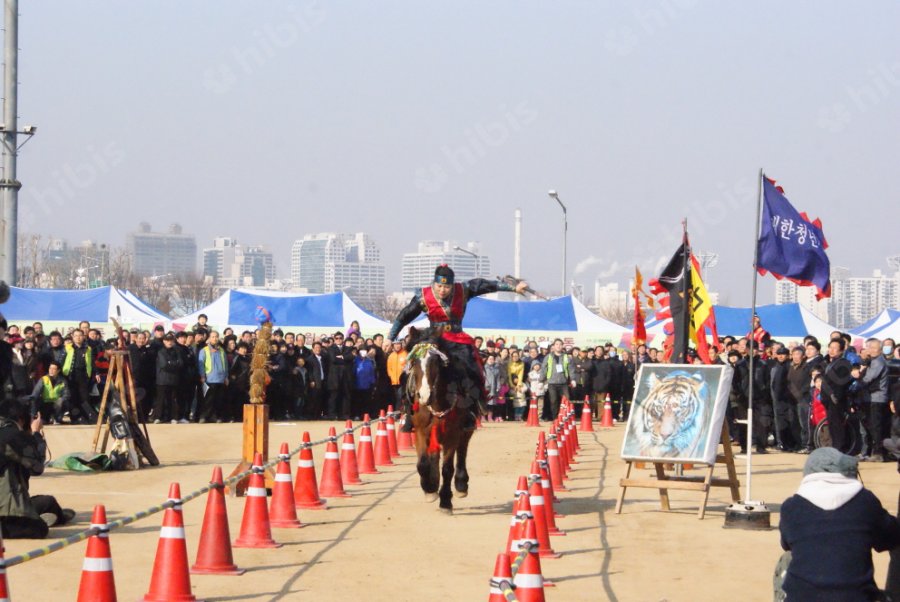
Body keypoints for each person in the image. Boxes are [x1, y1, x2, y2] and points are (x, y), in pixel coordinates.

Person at [387, 265, 528, 430]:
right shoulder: (423, 296)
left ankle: (473, 409)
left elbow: (486, 285)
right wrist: (390, 337)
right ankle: (409, 410)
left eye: (447, 286)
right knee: (411, 367)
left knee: (472, 367)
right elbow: (404, 316)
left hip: (457, 339)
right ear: (434, 283)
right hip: (434, 338)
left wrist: (513, 287)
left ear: (452, 285)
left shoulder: (464, 290)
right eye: (439, 286)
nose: (443, 290)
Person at [779, 447, 900, 601]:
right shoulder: (865, 501)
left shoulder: (791, 507)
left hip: (803, 598)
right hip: (856, 597)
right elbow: (891, 537)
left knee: (787, 560)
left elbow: (786, 544)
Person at [0, 401, 75, 538]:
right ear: (21, 420)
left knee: (47, 502)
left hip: (11, 502)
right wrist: (35, 434)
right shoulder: (13, 436)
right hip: (5, 511)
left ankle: (54, 515)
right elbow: (37, 467)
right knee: (40, 529)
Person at [855, 337, 890, 462]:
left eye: (872, 348)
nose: (870, 350)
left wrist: (855, 384)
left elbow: (868, 378)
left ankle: (879, 453)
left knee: (876, 427)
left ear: (878, 349)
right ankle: (870, 451)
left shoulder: (878, 362)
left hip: (877, 398)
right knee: (870, 426)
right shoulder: (872, 361)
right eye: (869, 347)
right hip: (870, 398)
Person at [820, 338, 854, 453]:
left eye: (835, 348)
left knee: (837, 426)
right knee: (832, 426)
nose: (832, 350)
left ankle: (840, 449)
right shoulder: (830, 363)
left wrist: (835, 396)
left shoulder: (844, 363)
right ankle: (836, 448)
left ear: (841, 350)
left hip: (837, 399)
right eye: (831, 347)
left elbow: (841, 383)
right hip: (829, 399)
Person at [197, 330, 229, 423]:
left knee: (218, 400)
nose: (215, 338)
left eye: (216, 337)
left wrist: (226, 377)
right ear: (209, 338)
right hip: (209, 379)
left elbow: (225, 364)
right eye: (213, 337)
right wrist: (202, 375)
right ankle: (204, 417)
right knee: (207, 400)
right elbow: (201, 364)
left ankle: (215, 416)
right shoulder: (204, 350)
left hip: (220, 379)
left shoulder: (222, 351)